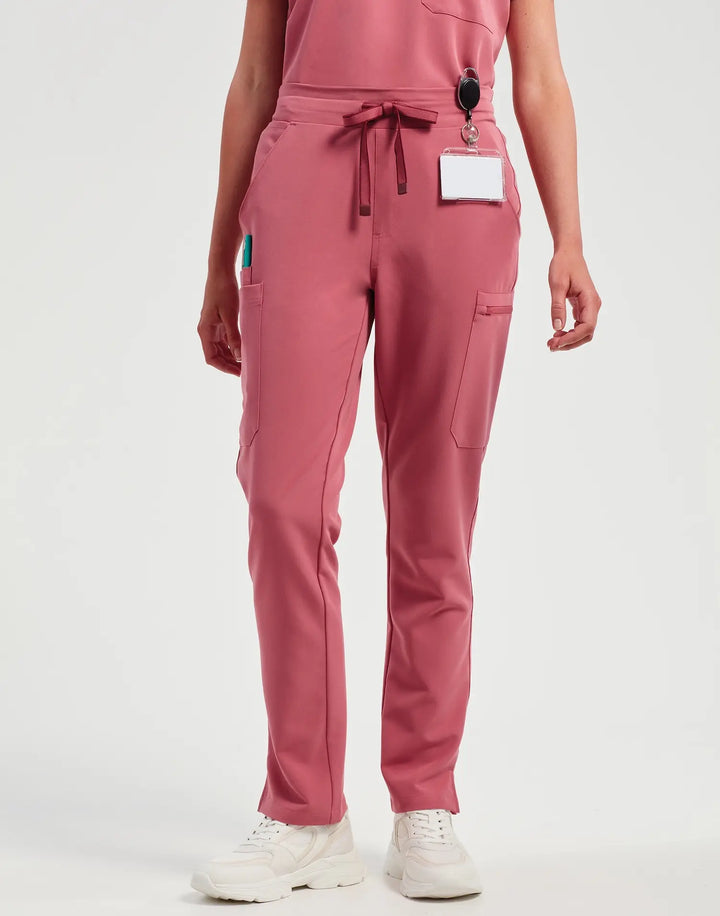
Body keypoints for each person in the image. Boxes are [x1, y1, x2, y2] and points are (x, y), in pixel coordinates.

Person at [192, 0, 601, 903]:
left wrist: (570, 237)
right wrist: (219, 256)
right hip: (304, 174)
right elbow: (256, 76)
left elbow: (538, 74)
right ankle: (306, 813)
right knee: (282, 501)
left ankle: (425, 801)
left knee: (435, 518)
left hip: (458, 172)